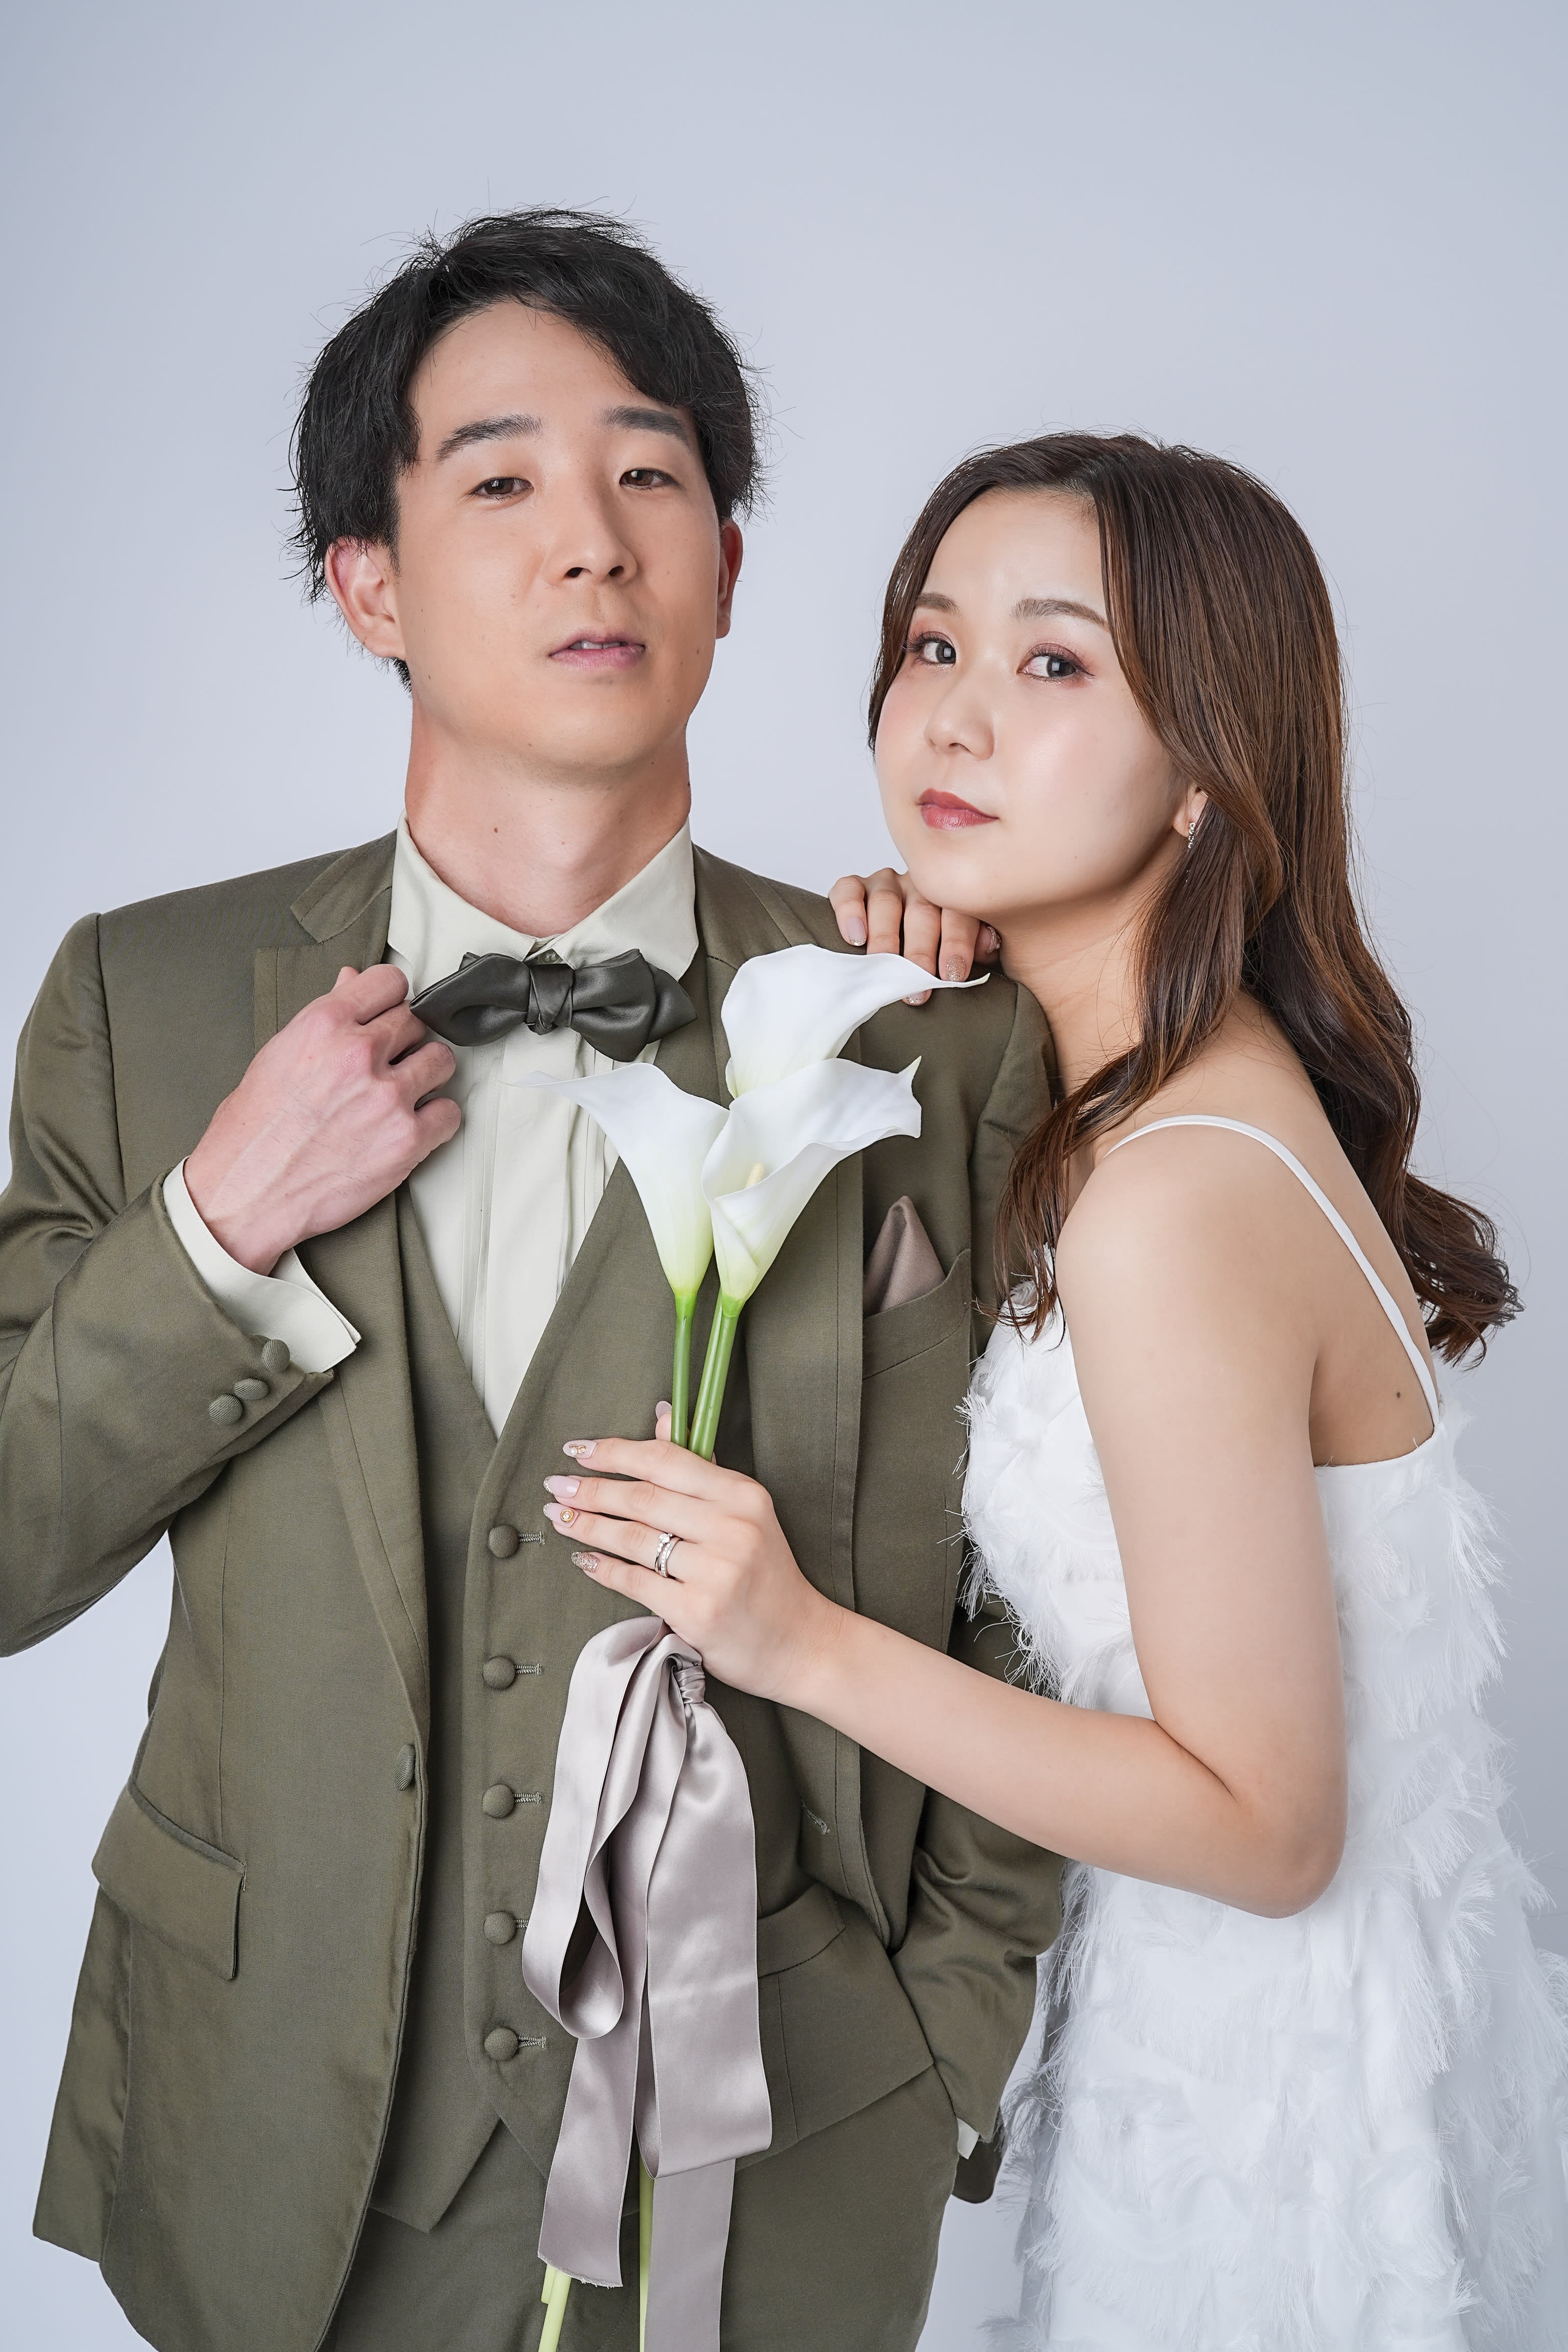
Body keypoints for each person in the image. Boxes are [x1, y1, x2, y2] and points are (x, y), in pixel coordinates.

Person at [0, 212, 1064, 2352]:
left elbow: (1043, 1598)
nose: (593, 541)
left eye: (650, 474)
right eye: (501, 480)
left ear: (729, 568)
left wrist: (945, 2040)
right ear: (369, 583)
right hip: (268, 2146)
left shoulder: (932, 1031)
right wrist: (214, 1229)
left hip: (779, 2154)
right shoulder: (143, 1000)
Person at [546, 432, 1568, 2347]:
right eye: (933, 646)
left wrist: (798, 1643)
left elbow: (1270, 1827)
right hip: (1282, 2043)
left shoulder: (1171, 1196)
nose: (958, 716)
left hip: (1262, 2120)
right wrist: (932, 998)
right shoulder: (1156, 1092)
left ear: (1203, 772)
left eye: (1054, 663)